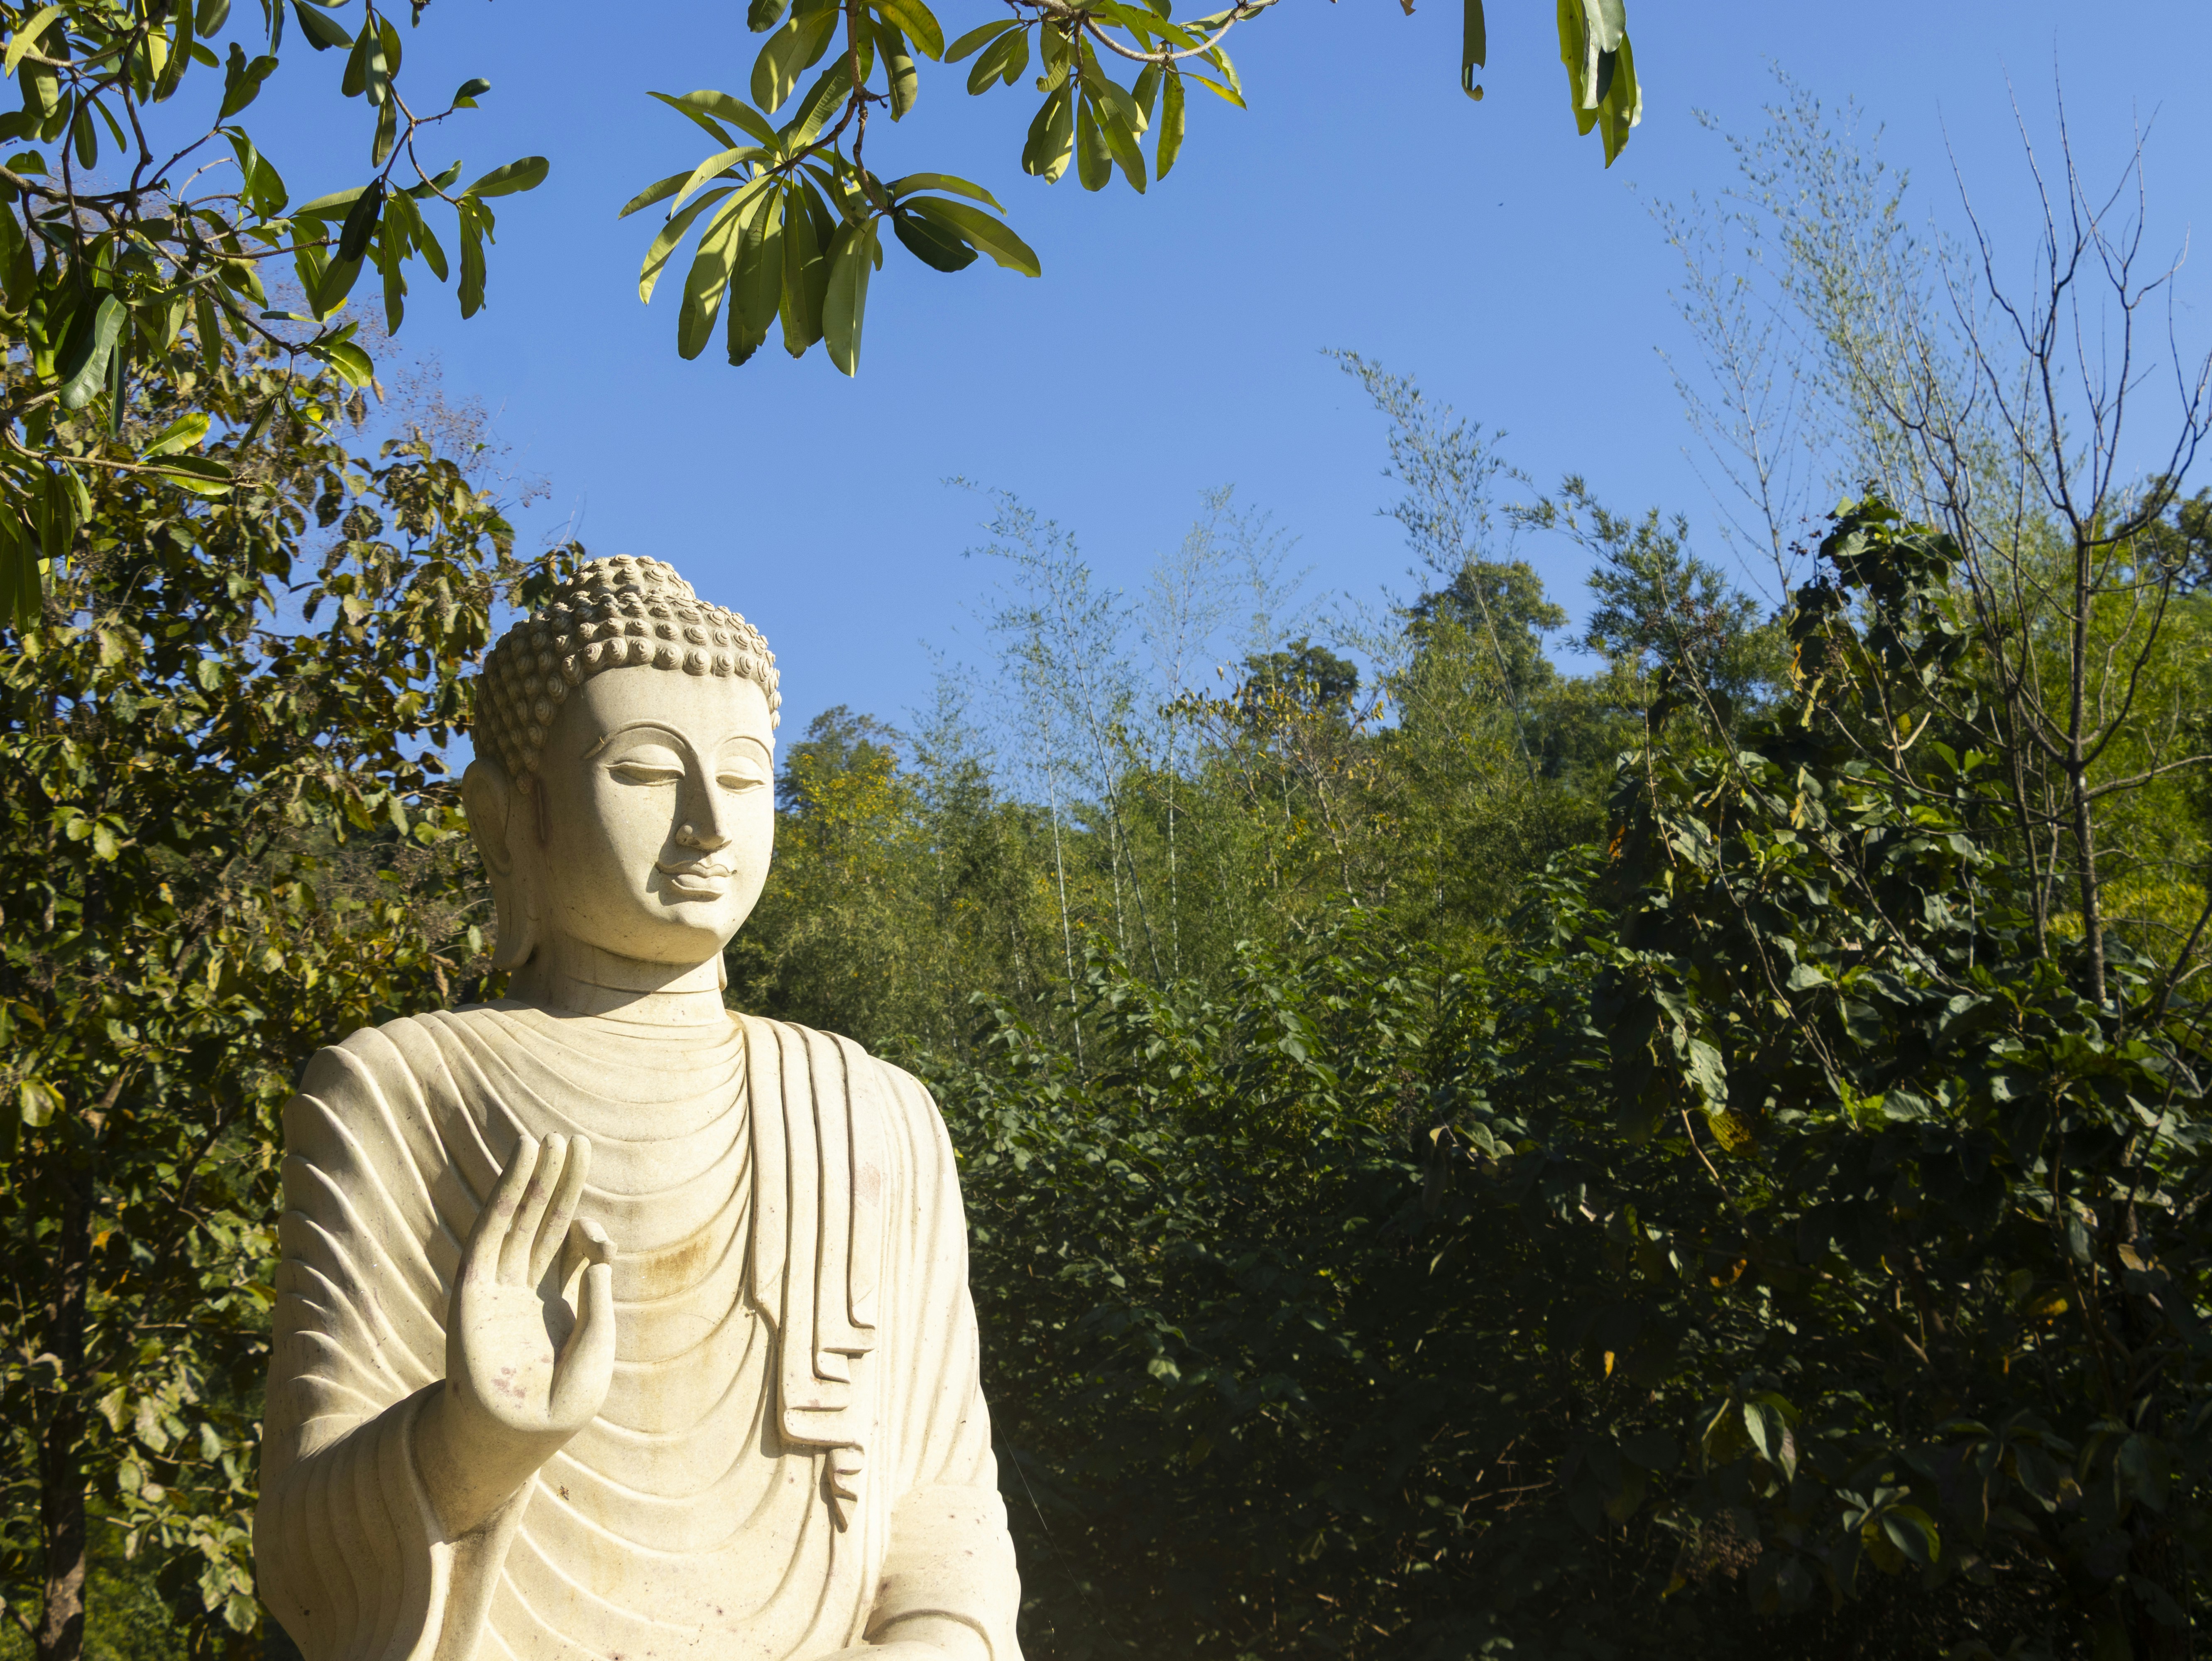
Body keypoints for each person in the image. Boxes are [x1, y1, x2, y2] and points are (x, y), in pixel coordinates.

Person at [254, 556, 1020, 1661]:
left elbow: (944, 1496)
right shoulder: (399, 1088)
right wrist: (473, 1438)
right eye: (649, 774)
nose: (710, 823)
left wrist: (935, 1640)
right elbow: (300, 1557)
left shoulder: (874, 1111)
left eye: (748, 779)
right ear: (515, 817)